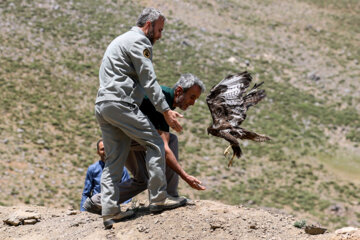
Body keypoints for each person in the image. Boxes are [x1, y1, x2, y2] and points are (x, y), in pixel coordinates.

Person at [94, 8, 185, 229]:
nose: (160, 35)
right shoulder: (138, 41)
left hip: (103, 104)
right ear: (149, 25)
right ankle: (159, 200)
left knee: (115, 158)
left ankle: (110, 210)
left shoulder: (120, 40)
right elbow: (149, 80)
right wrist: (165, 110)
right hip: (121, 103)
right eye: (160, 29)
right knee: (155, 143)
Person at [88, 74, 207, 211]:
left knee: (142, 180)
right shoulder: (162, 98)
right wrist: (186, 177)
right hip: (123, 134)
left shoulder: (166, 102)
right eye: (192, 97)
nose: (193, 103)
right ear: (179, 91)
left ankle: (97, 202)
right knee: (170, 141)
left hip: (124, 136)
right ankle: (168, 195)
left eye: (196, 99)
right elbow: (165, 150)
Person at [80, 139, 131, 214]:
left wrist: (125, 206)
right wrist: (83, 211)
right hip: (97, 208)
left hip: (116, 207)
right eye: (102, 149)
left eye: (107, 148)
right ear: (98, 152)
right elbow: (86, 193)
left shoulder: (121, 168)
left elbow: (128, 190)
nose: (106, 151)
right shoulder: (92, 169)